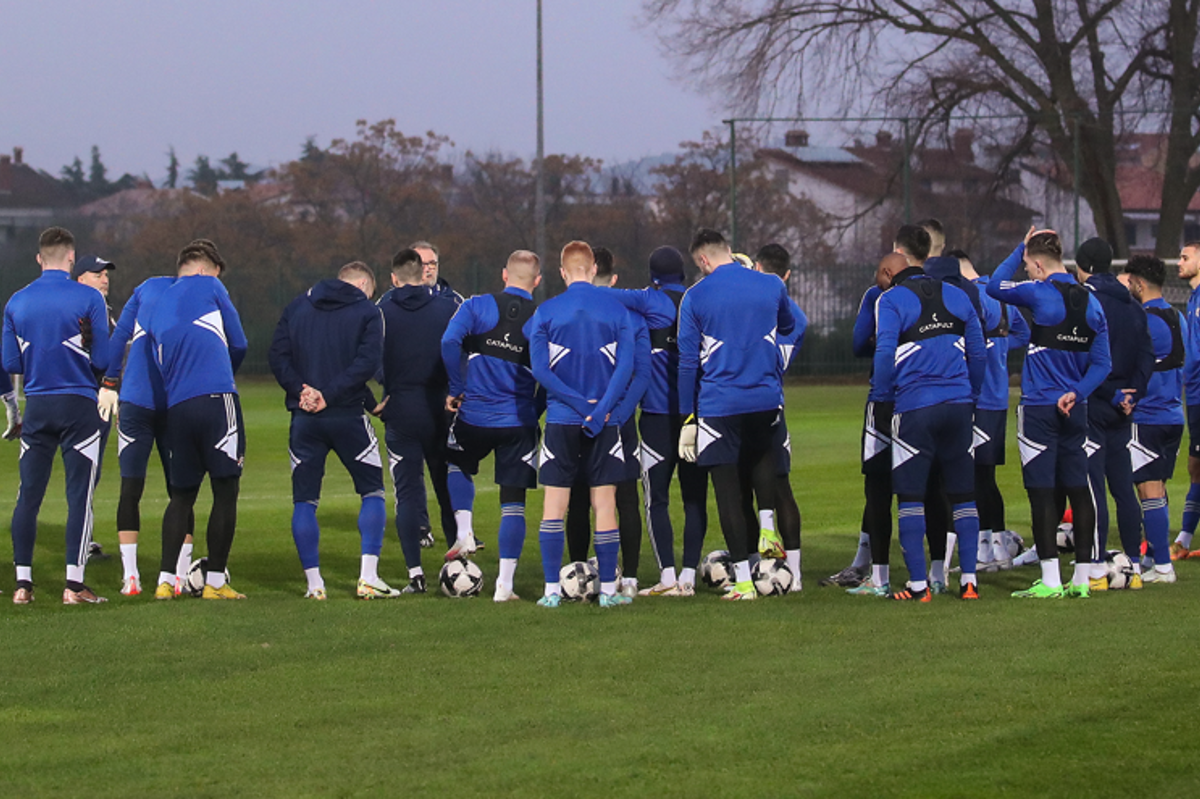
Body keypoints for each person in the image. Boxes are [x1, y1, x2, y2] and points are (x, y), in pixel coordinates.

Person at [986, 228, 1111, 599]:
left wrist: (1017, 247)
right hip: (1076, 408)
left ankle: (1051, 581)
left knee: (1041, 493)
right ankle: (1082, 580)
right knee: (1079, 488)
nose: (1025, 272)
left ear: (1038, 265)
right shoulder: (1093, 303)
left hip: (1040, 407)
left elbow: (994, 285)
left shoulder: (1038, 291)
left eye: (1027, 266)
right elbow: (1103, 365)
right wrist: (1078, 393)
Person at [677, 228, 795, 601]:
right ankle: (767, 527)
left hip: (719, 403)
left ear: (702, 260)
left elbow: (686, 363)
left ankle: (743, 582)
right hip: (765, 398)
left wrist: (687, 419)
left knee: (727, 490)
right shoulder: (771, 285)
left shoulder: (695, 296)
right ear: (730, 251)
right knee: (761, 457)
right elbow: (790, 327)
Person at [269, 261, 391, 600]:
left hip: (305, 419)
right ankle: (368, 578)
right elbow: (363, 363)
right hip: (347, 416)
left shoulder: (296, 306)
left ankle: (315, 585)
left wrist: (302, 391)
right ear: (365, 285)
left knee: (305, 500)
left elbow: (278, 357)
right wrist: (330, 396)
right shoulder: (367, 312)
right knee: (372, 492)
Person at [3, 226, 111, 604]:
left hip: (38, 407)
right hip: (79, 405)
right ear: (71, 257)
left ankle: (22, 585)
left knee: (28, 496)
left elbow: (10, 361)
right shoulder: (88, 297)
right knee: (79, 495)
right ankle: (73, 586)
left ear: (38, 259)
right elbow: (103, 359)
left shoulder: (16, 302)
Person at [873, 253, 986, 600]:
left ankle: (918, 585)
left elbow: (883, 352)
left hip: (915, 407)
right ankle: (969, 582)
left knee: (910, 496)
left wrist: (882, 398)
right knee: (963, 494)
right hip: (959, 404)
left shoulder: (890, 300)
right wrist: (972, 394)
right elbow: (978, 353)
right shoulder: (957, 294)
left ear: (890, 273)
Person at [529, 240, 637, 608]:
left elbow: (541, 370)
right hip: (603, 420)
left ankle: (549, 592)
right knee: (604, 502)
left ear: (562, 272)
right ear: (592, 269)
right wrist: (601, 408)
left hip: (561, 419)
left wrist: (576, 404)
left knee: (554, 504)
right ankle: (608, 590)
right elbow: (626, 366)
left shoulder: (545, 312)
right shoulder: (617, 309)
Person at [146, 239, 248, 600]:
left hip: (178, 408)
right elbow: (239, 342)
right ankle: (215, 583)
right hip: (217, 398)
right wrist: (223, 375)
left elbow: (158, 361)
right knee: (225, 488)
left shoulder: (159, 305)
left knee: (182, 496)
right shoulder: (211, 286)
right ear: (206, 270)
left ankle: (164, 581)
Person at [440, 250, 543, 602]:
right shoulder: (542, 316)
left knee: (456, 463)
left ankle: (465, 532)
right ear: (538, 281)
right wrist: (536, 408)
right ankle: (505, 587)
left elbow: (448, 342)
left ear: (504, 274)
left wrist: (457, 388)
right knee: (513, 502)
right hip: (519, 422)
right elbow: (549, 371)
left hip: (474, 416)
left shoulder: (475, 305)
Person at [610, 246, 709, 597]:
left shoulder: (649, 301)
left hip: (655, 416)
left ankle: (666, 575)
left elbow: (607, 294)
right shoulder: (698, 301)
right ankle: (689, 577)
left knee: (657, 499)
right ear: (682, 273)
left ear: (653, 277)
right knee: (695, 498)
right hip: (697, 416)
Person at [100, 269, 197, 596]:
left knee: (130, 488)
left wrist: (110, 382)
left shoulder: (145, 289)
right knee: (181, 492)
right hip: (175, 402)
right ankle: (178, 576)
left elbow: (118, 339)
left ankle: (131, 577)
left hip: (135, 400)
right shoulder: (196, 296)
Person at [564, 247, 650, 597]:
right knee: (625, 495)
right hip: (617, 419)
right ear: (611, 278)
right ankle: (628, 578)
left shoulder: (566, 313)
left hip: (576, 418)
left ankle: (578, 573)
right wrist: (619, 415)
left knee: (578, 496)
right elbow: (640, 375)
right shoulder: (631, 317)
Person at [1070, 239, 1152, 588]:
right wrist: (1134, 393)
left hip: (1096, 403)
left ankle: (1098, 568)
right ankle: (1132, 565)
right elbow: (1148, 356)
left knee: (1093, 489)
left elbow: (1086, 360)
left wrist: (1111, 393)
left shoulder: (1086, 302)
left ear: (1082, 266)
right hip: (1125, 408)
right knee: (1123, 487)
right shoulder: (1134, 306)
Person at [379, 247, 458, 594]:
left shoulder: (381, 311)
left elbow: (368, 359)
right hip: (440, 408)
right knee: (446, 488)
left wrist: (377, 397)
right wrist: (457, 390)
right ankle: (458, 565)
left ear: (395, 278)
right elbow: (463, 353)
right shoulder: (448, 308)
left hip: (400, 408)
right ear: (424, 274)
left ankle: (415, 575)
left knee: (407, 493)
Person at [952, 248, 1031, 570]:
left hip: (979, 398)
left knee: (974, 477)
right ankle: (995, 544)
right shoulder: (999, 296)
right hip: (997, 398)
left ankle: (988, 547)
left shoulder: (971, 296)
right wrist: (998, 347)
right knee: (986, 475)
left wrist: (984, 348)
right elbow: (1023, 334)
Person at [1124, 255, 1186, 585]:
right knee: (1158, 489)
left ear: (1139, 283)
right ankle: (1153, 556)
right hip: (1175, 415)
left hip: (1147, 416)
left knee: (1148, 491)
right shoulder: (1178, 317)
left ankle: (1162, 565)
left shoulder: (1142, 320)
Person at [753, 243, 808, 587]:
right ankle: (796, 574)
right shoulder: (798, 318)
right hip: (774, 404)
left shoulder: (751, 306)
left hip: (742, 401)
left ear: (757, 269)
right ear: (787, 275)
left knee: (746, 486)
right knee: (781, 486)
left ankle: (756, 567)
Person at [72, 253, 117, 563]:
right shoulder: (84, 310)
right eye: (96, 273)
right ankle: (79, 543)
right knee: (84, 475)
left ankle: (82, 537)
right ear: (80, 279)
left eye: (106, 273)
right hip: (87, 401)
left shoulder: (104, 311)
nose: (104, 277)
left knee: (90, 474)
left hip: (98, 400)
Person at [1172, 240, 1200, 559]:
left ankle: (1183, 540)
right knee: (1196, 466)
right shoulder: (1193, 298)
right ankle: (1184, 539)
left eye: (1185, 257)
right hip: (1193, 394)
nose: (1179, 262)